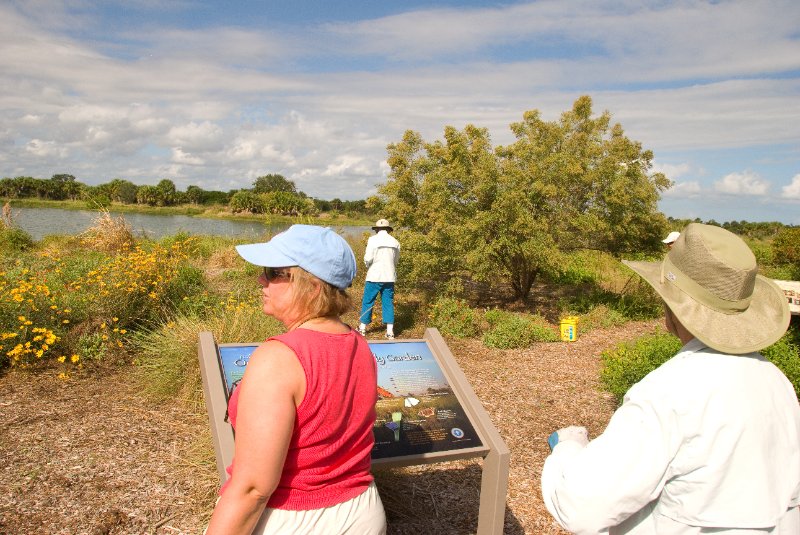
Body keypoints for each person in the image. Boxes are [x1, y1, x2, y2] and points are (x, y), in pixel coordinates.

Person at [541, 223, 799, 534]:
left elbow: (581, 507)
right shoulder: (777, 383)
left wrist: (567, 448)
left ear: (672, 309)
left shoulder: (667, 393)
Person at [206, 224, 386, 535]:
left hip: (298, 520)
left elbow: (252, 489)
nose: (261, 279)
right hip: (363, 510)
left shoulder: (278, 358)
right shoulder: (359, 345)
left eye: (275, 272)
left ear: (312, 287)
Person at [358, 219, 400, 339]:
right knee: (388, 302)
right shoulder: (395, 241)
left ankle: (362, 329)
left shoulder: (372, 240)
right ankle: (390, 331)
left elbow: (368, 258)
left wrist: (369, 266)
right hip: (389, 276)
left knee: (368, 301)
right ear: (388, 230)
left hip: (374, 275)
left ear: (376, 229)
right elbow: (396, 260)